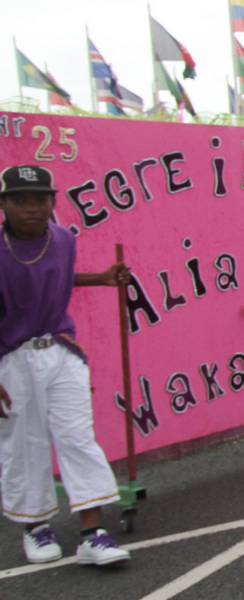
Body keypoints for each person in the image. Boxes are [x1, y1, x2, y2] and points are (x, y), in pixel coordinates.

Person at [0, 165, 133, 567]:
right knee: (25, 443)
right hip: (11, 358)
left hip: (61, 350)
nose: (31, 208)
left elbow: (55, 278)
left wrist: (101, 278)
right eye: (19, 200)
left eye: (40, 199)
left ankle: (93, 534)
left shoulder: (61, 239)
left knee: (76, 435)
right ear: (3, 205)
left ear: (53, 202)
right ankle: (36, 526)